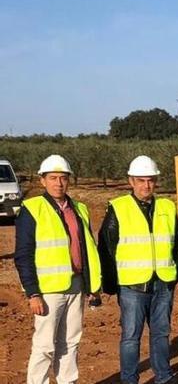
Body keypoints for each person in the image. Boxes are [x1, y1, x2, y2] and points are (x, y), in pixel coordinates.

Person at [14, 154, 102, 384]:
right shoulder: (32, 209)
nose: (58, 183)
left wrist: (92, 285)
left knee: (71, 342)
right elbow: (23, 255)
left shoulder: (80, 208)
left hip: (76, 285)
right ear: (42, 180)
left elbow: (87, 249)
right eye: (53, 178)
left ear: (69, 180)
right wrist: (32, 292)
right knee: (44, 345)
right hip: (47, 290)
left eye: (63, 178)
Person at [98, 155, 178, 384]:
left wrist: (175, 275)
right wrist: (110, 284)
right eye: (141, 180)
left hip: (162, 283)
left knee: (161, 335)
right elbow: (106, 246)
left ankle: (164, 377)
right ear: (131, 181)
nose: (146, 185)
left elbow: (177, 244)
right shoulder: (118, 208)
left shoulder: (167, 206)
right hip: (132, 287)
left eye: (150, 180)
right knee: (130, 338)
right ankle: (129, 380)